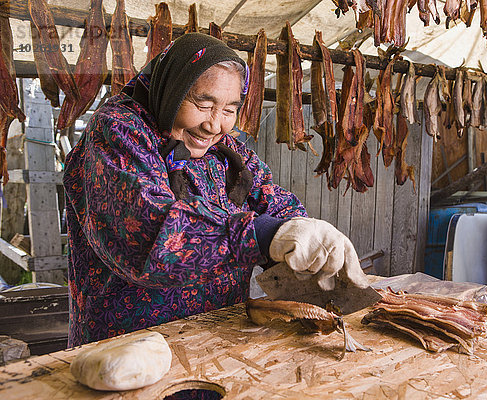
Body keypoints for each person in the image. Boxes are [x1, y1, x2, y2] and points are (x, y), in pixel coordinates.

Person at [63, 33, 369, 347]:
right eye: (204, 104)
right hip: (126, 345)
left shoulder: (226, 150)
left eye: (228, 110)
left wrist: (301, 231)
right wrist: (260, 235)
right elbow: (146, 233)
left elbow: (266, 199)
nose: (214, 125)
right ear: (172, 89)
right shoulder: (117, 133)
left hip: (217, 340)